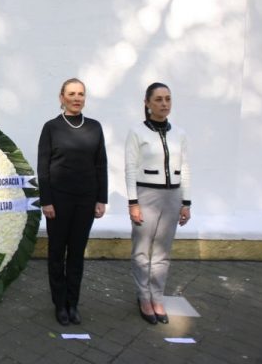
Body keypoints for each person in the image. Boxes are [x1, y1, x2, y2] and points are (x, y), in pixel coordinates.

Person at [37, 78, 108, 326]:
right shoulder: (51, 128)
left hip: (86, 201)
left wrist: (101, 199)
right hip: (58, 202)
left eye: (81, 94)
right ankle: (59, 304)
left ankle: (72, 303)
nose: (77, 98)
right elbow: (43, 168)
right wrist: (46, 201)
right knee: (57, 253)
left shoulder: (95, 127)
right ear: (62, 98)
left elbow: (101, 165)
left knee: (77, 254)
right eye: (71, 94)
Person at [125, 82, 191, 325]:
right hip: (146, 194)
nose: (164, 104)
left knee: (163, 251)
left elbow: (185, 168)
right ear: (147, 103)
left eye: (168, 99)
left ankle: (157, 296)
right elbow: (130, 168)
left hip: (172, 196)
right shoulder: (137, 132)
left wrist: (186, 202)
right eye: (159, 99)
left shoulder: (179, 133)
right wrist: (133, 202)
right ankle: (144, 296)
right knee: (142, 250)